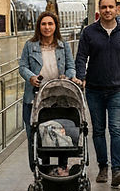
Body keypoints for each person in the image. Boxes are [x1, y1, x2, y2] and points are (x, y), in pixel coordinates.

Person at [75, 0, 120, 186]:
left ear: (117, 9)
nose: (107, 10)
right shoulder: (89, 32)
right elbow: (81, 57)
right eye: (104, 7)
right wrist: (81, 76)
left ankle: (117, 170)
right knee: (98, 130)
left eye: (110, 7)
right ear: (99, 10)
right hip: (94, 90)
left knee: (116, 129)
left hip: (117, 90)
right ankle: (103, 167)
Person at [18, 11, 77, 139]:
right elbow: (22, 67)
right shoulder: (30, 45)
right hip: (34, 97)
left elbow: (71, 67)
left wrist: (67, 77)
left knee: (59, 132)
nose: (47, 27)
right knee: (33, 135)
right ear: (39, 26)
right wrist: (31, 77)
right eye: (43, 24)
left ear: (56, 26)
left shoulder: (63, 45)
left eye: (50, 24)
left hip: (58, 96)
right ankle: (35, 153)